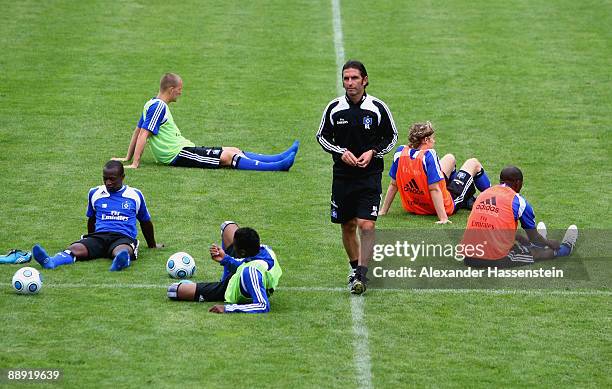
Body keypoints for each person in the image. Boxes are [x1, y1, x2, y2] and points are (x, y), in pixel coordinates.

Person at [316, 60, 397, 294]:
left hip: (369, 176)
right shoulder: (334, 108)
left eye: (354, 78)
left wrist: (374, 152)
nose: (349, 83)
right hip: (342, 176)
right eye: (346, 78)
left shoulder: (378, 108)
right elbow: (322, 137)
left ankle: (362, 274)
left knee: (367, 225)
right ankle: (354, 269)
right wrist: (341, 152)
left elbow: (391, 137)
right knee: (348, 224)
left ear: (365, 80)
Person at [113, 73, 298, 171]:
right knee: (226, 157)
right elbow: (143, 133)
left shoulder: (151, 103)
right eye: (179, 89)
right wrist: (135, 163)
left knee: (232, 149)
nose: (181, 92)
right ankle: (277, 166)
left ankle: (278, 158)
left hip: (183, 149)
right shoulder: (158, 107)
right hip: (177, 154)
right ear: (170, 89)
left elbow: (137, 130)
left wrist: (127, 157)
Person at [32, 161, 162, 271]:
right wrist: (89, 241)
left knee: (122, 250)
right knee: (75, 248)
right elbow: (92, 219)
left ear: (122, 177)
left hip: (123, 237)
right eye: (105, 178)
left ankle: (120, 261)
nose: (108, 182)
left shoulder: (134, 195)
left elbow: (145, 222)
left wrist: (152, 245)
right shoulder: (95, 193)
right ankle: (51, 261)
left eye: (112, 179)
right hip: (99, 237)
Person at [460, 166, 578, 267]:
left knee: (520, 243)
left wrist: (520, 238)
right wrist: (549, 243)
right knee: (535, 253)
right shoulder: (519, 201)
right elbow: (533, 237)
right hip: (492, 260)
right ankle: (565, 249)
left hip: (468, 256)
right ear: (518, 183)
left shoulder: (483, 194)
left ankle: (539, 245)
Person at [380, 121, 491, 223]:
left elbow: (393, 184)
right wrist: (443, 218)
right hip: (440, 205)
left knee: (450, 158)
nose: (434, 140)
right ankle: (492, 196)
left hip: (413, 206)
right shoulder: (429, 155)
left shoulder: (400, 152)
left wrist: (383, 211)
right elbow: (434, 189)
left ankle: (463, 197)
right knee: (473, 163)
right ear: (426, 140)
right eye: (432, 138)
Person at [167, 221, 282, 314]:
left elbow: (263, 306)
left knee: (173, 290)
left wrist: (227, 308)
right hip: (243, 273)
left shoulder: (251, 272)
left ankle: (219, 285)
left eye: (235, 245)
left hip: (229, 287)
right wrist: (225, 259)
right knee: (228, 226)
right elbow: (245, 263)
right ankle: (225, 275)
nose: (233, 247)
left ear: (242, 252)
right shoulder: (265, 250)